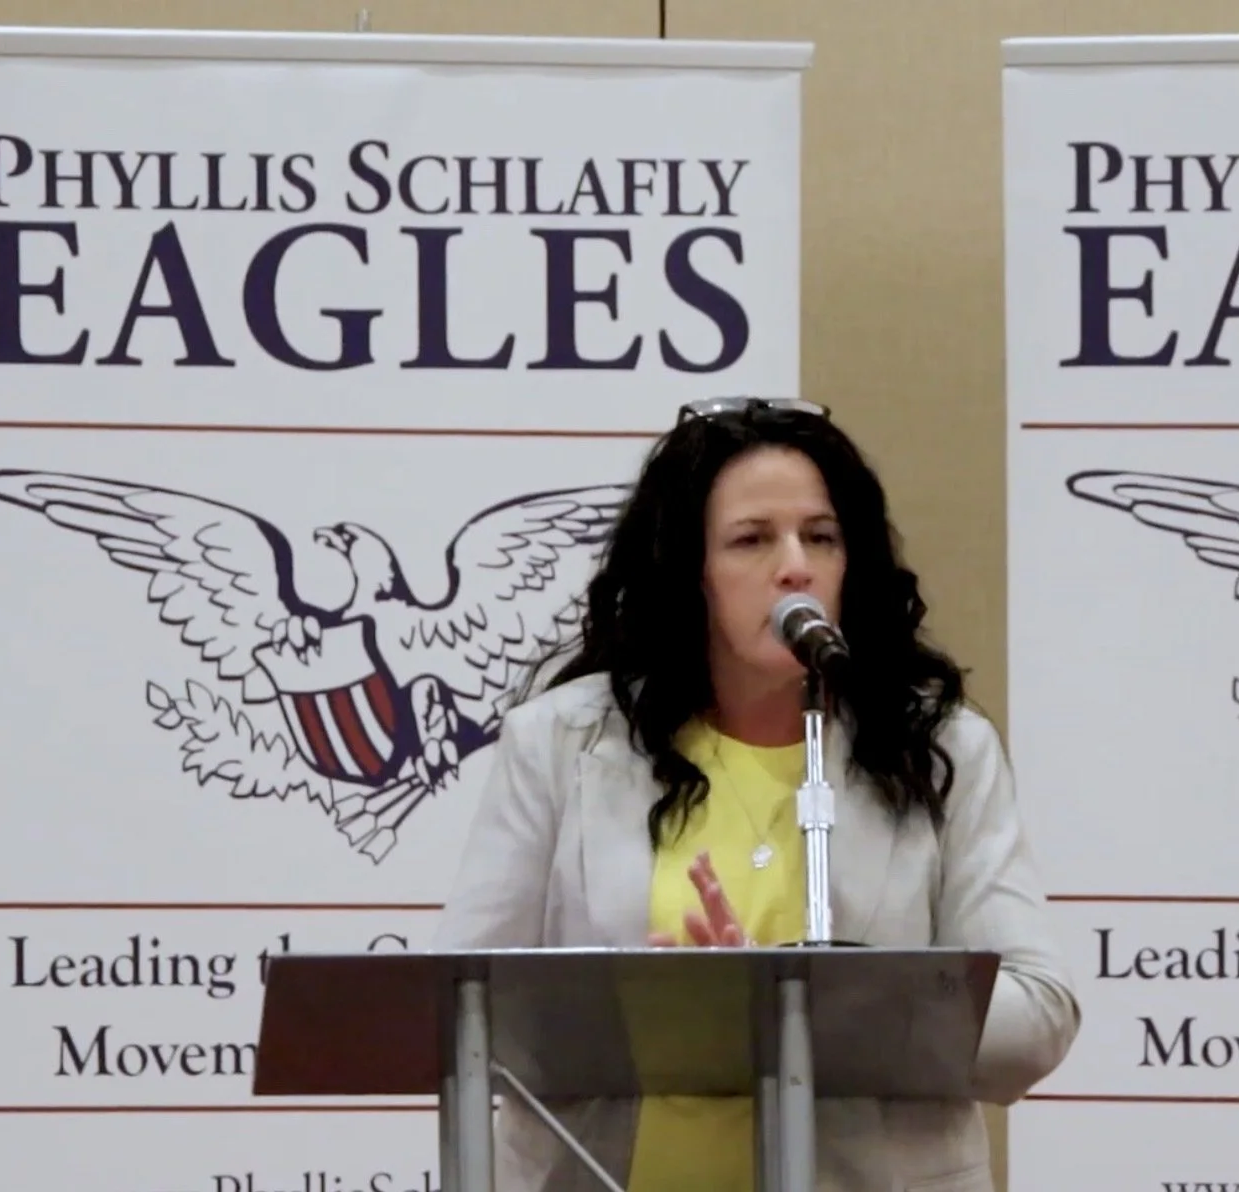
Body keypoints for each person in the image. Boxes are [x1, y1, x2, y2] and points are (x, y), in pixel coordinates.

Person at [432, 396, 1080, 1192]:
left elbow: (1036, 1017)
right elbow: (464, 1008)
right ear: (690, 573)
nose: (795, 566)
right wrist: (669, 1010)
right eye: (751, 539)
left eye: (821, 536)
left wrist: (799, 1011)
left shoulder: (939, 748)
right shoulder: (560, 742)